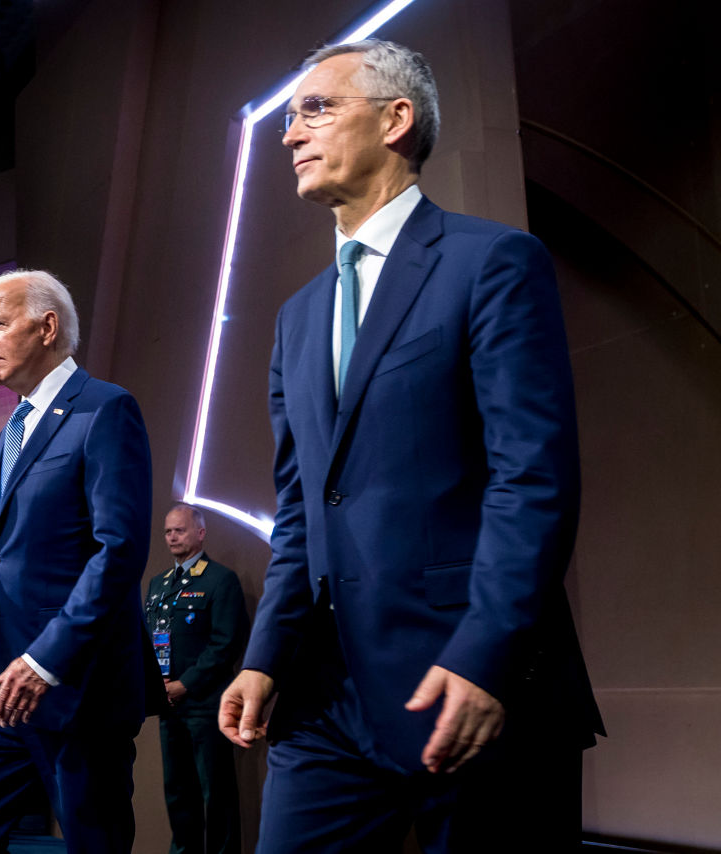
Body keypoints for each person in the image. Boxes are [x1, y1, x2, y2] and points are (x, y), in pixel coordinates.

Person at [217, 40, 604, 852]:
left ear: (396, 119)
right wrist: (265, 656)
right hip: (325, 699)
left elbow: (529, 478)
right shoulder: (296, 317)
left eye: (316, 109)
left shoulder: (491, 262)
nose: (291, 133)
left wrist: (486, 655)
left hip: (465, 686)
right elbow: (301, 509)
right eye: (288, 116)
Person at [0, 269, 159, 854]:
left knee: (93, 846)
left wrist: (46, 659)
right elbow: (5, 566)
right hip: (1, 692)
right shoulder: (13, 427)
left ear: (47, 326)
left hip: (77, 689)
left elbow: (119, 552)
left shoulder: (105, 410)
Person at [145, 504, 248, 854]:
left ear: (200, 533)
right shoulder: (158, 585)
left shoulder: (220, 580)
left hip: (205, 703)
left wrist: (185, 684)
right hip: (169, 706)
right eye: (168, 531)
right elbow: (150, 640)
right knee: (177, 791)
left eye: (180, 530)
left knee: (215, 792)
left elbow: (226, 643)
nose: (172, 537)